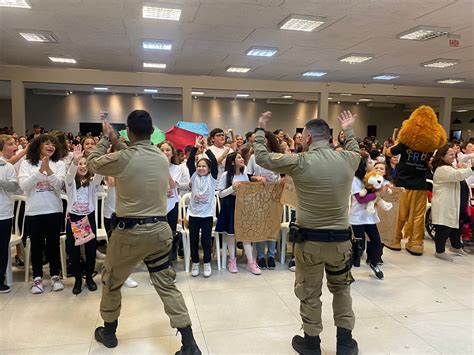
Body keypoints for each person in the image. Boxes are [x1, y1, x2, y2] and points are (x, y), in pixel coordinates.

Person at [87, 110, 200, 354]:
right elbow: (133, 150)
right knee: (166, 284)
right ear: (152, 132)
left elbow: (92, 163)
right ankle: (189, 343)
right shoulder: (160, 157)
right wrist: (118, 138)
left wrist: (106, 138)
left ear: (129, 131)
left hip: (130, 234)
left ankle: (109, 333)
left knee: (111, 281)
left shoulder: (125, 157)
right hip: (160, 232)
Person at [254, 110, 360, 355]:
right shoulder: (348, 159)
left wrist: (261, 129)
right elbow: (354, 148)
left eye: (302, 137)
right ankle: (345, 343)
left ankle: (312, 344)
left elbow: (261, 156)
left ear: (309, 138)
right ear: (331, 139)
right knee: (342, 289)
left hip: (309, 242)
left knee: (310, 293)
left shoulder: (299, 162)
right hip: (342, 242)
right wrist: (350, 128)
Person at [19, 134, 66, 294]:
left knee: (53, 245)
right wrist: (40, 171)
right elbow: (25, 186)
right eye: (46, 143)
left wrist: (48, 170)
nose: (51, 146)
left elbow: (60, 185)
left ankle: (55, 276)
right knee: (37, 246)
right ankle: (37, 278)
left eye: (53, 144)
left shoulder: (59, 164)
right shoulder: (26, 164)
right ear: (38, 145)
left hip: (54, 210)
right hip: (34, 211)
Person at [65, 145, 103, 295]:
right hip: (74, 218)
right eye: (80, 164)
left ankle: (89, 277)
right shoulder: (71, 183)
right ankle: (78, 279)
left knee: (90, 250)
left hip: (89, 218)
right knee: (74, 251)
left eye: (85, 164)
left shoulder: (92, 182)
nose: (82, 166)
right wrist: (75, 161)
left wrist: (97, 160)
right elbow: (69, 175)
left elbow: (99, 174)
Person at [216, 152, 261, 275]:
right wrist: (232, 189)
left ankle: (251, 262)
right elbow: (220, 194)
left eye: (242, 157)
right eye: (239, 157)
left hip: (243, 207)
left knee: (245, 235)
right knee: (231, 235)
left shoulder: (245, 175)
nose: (242, 159)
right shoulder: (226, 176)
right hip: (230, 207)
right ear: (232, 161)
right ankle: (232, 260)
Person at [431, 145, 473, 261]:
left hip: (453, 203)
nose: (453, 156)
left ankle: (456, 247)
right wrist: (471, 168)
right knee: (444, 228)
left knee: (456, 227)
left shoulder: (450, 167)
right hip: (444, 204)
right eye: (450, 154)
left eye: (453, 154)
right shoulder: (442, 169)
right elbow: (457, 175)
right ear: (442, 157)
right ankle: (440, 251)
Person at [247, 131, 281, 270]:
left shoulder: (277, 157)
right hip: (259, 194)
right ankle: (261, 256)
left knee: (273, 225)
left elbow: (284, 174)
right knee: (260, 225)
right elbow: (248, 176)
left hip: (274, 194)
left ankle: (271, 255)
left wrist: (282, 179)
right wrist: (257, 178)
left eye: (265, 139)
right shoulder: (254, 158)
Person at [186, 136, 218, 278]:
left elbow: (216, 163)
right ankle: (195, 263)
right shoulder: (194, 176)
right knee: (193, 240)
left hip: (206, 216)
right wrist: (195, 147)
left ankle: (206, 263)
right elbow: (189, 163)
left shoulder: (212, 178)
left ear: (209, 169)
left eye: (204, 166)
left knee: (206, 241)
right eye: (199, 166)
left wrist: (206, 149)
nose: (200, 168)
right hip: (193, 214)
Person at [350, 158, 385, 279]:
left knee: (376, 242)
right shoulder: (355, 180)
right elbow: (361, 199)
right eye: (370, 162)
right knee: (358, 246)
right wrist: (377, 194)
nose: (373, 164)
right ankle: (348, 269)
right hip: (358, 217)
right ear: (364, 166)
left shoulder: (374, 178)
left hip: (370, 217)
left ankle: (374, 263)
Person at [0, 135, 20, 293]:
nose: (14, 147)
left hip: (4, 213)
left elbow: (13, 187)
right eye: (10, 144)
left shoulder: (8, 167)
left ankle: (0, 279)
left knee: (2, 247)